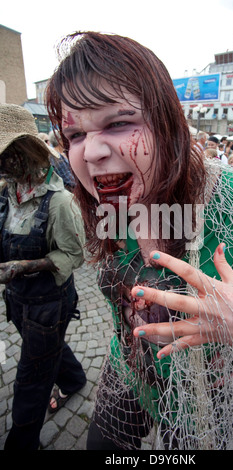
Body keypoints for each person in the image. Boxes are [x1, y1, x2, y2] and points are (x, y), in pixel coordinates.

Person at [46, 31, 233, 451]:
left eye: (118, 122)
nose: (90, 152)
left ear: (167, 121)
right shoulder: (104, 204)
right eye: (73, 136)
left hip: (206, 399)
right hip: (128, 372)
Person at [0, 103, 87, 450]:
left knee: (31, 379)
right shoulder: (5, 195)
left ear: (24, 152)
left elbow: (73, 255)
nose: (0, 164)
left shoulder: (60, 202)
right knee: (46, 350)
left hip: (50, 304)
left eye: (5, 155)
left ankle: (21, 443)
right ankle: (73, 377)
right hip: (19, 302)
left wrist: (24, 267)